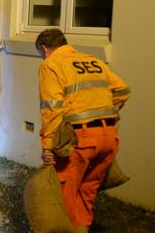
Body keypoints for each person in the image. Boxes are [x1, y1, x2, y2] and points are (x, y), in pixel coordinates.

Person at [35, 28, 131, 232]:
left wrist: (47, 147)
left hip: (79, 141)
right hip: (109, 138)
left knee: (64, 197)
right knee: (86, 195)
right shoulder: (93, 61)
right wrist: (99, 111)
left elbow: (51, 108)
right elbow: (123, 90)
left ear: (44, 49)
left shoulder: (51, 65)